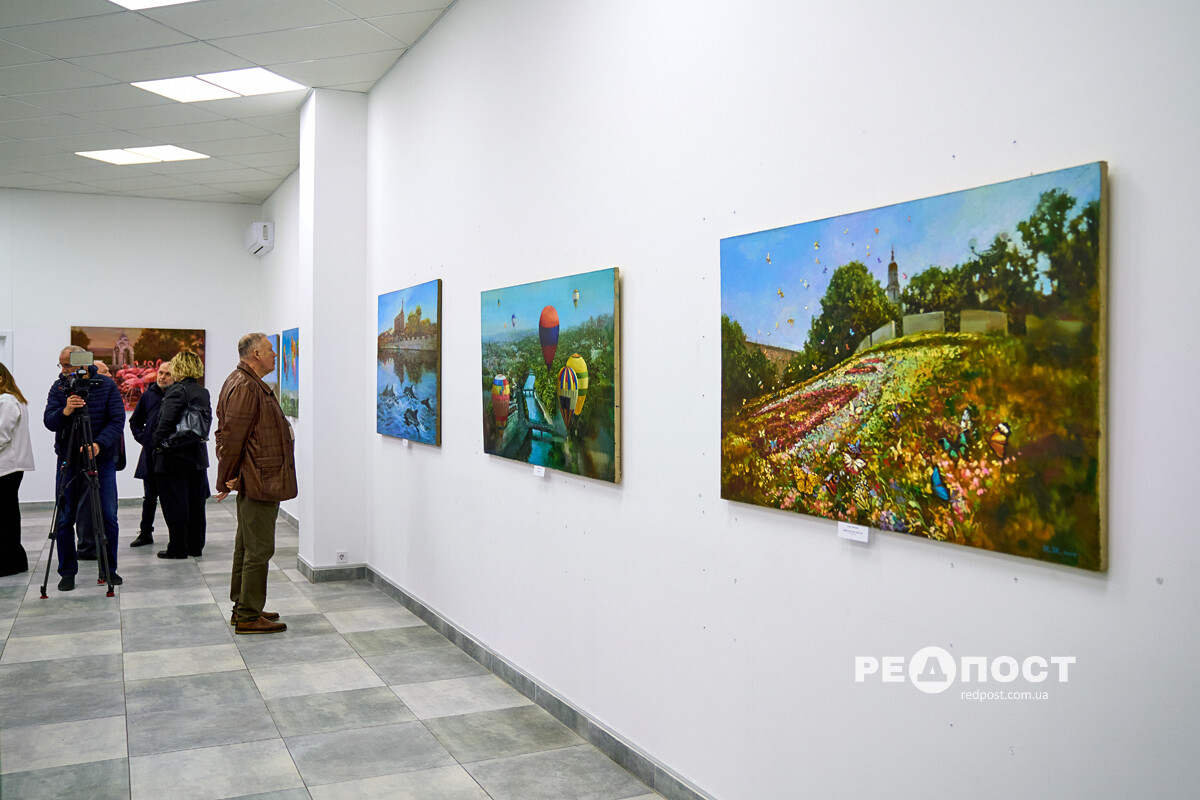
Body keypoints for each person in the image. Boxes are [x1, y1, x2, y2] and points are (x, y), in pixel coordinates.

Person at [216, 333, 295, 634]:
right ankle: (248, 615)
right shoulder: (246, 385)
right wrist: (226, 477)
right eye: (271, 351)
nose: (276, 355)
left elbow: (230, 433)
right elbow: (231, 437)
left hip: (258, 478)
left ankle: (244, 606)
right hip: (259, 480)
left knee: (247, 546)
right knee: (258, 549)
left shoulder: (244, 381)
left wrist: (230, 474)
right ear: (257, 354)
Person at [44, 345, 125, 591]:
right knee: (65, 518)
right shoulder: (59, 387)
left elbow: (117, 420)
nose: (64, 370)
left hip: (101, 459)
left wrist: (99, 444)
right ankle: (67, 572)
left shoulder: (106, 385)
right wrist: (67, 410)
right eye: (61, 365)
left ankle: (109, 569)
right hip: (69, 459)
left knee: (108, 515)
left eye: (67, 365)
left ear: (82, 362)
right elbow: (49, 420)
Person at [152, 352, 211, 559]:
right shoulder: (202, 391)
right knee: (196, 504)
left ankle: (177, 548)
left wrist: (155, 445)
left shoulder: (177, 391)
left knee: (175, 504)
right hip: (197, 457)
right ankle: (195, 546)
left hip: (174, 457)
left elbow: (165, 423)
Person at [75, 360, 125, 559]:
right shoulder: (70, 392)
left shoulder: (110, 391)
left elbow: (117, 421)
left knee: (108, 511)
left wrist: (100, 445)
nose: (109, 376)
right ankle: (87, 547)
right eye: (105, 372)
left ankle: (107, 556)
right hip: (81, 457)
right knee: (84, 506)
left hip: (105, 455)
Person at [128, 361, 172, 547]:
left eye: (167, 374)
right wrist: (145, 439)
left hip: (171, 456)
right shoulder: (148, 395)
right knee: (149, 497)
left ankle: (176, 536)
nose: (162, 376)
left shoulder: (177, 396)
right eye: (161, 372)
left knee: (171, 498)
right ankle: (145, 532)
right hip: (151, 455)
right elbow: (135, 421)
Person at [0, 362, 35, 577]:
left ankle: (10, 562)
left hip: (6, 467)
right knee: (8, 514)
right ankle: (14, 559)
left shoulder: (6, 401)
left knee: (5, 516)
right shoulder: (13, 400)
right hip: (10, 467)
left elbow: (1, 436)